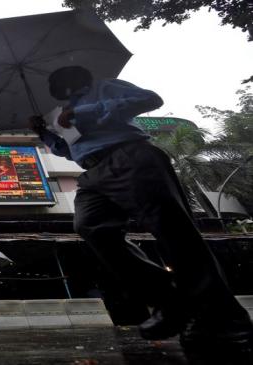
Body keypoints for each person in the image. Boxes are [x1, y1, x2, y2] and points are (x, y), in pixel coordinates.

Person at [29, 65, 253, 349]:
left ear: (73, 78)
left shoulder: (106, 86)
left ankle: (223, 318)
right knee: (90, 227)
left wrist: (83, 112)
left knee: (174, 233)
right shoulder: (58, 114)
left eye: (57, 79)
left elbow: (150, 100)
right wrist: (44, 133)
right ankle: (170, 299)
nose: (53, 85)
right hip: (91, 172)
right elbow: (67, 150)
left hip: (130, 156)